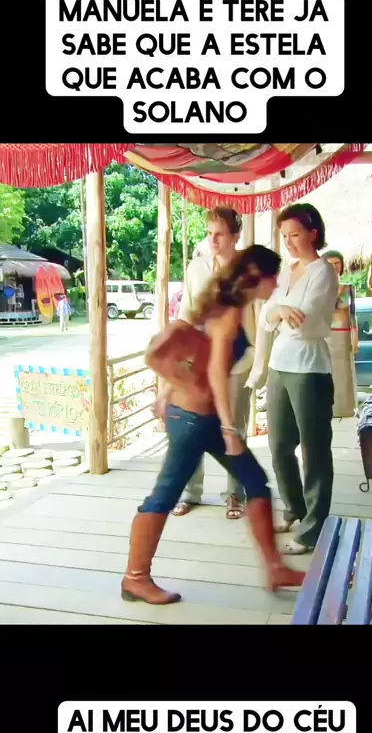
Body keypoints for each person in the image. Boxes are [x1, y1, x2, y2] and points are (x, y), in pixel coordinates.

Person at [120, 245, 306, 605]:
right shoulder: (229, 312)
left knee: (255, 481)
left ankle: (275, 568)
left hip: (194, 415)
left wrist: (169, 390)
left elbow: (196, 355)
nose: (277, 282)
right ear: (258, 277)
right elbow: (217, 373)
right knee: (166, 493)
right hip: (195, 419)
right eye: (275, 275)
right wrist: (229, 428)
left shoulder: (220, 304)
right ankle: (135, 578)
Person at [257, 203, 339, 556]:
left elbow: (304, 323)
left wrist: (278, 313)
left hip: (310, 368)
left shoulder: (324, 272)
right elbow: (265, 317)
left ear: (312, 233)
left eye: (294, 234)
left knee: (314, 449)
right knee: (279, 445)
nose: (288, 242)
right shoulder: (286, 272)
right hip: (280, 364)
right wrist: (277, 311)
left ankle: (313, 529)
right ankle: (294, 507)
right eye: (284, 236)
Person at [172, 206, 256, 520]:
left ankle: (235, 493)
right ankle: (190, 492)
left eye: (220, 234)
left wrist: (257, 361)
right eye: (210, 234)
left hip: (237, 359)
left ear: (235, 235)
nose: (213, 240)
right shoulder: (196, 268)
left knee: (233, 427)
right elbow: (186, 313)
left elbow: (257, 318)